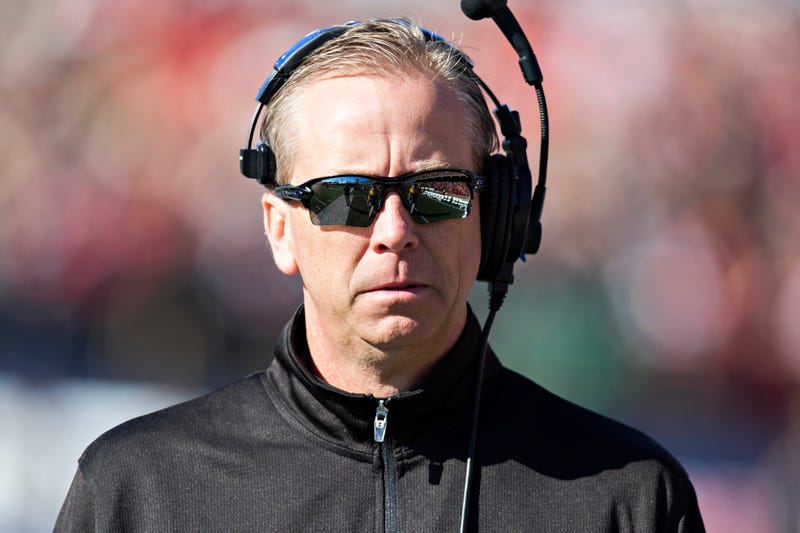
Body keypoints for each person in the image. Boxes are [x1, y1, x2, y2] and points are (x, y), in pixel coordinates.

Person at [55, 17, 705, 532]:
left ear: (495, 217)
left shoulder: (629, 494)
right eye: (347, 196)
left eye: (438, 191)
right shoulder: (138, 490)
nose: (395, 230)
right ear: (280, 228)